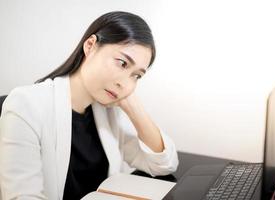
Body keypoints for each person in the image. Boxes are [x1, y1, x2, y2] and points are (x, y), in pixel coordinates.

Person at [0, 11, 179, 200]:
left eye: (137, 75)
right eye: (122, 63)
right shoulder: (27, 104)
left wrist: (133, 107)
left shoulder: (107, 112)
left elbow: (164, 164)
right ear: (90, 45)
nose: (125, 83)